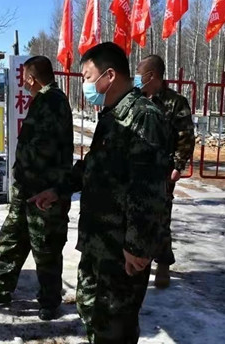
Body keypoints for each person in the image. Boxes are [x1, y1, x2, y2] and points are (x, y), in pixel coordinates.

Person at [30, 42, 168, 343]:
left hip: (122, 250)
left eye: (87, 77)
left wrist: (137, 246)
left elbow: (149, 188)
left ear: (109, 75)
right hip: (98, 242)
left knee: (115, 330)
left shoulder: (143, 117)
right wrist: (58, 190)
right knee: (92, 314)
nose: (85, 85)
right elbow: (94, 166)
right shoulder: (112, 115)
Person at [0, 55, 74, 321]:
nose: (24, 84)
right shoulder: (43, 100)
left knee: (46, 248)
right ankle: (0, 290)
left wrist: (32, 178)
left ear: (32, 78)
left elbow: (44, 149)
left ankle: (50, 301)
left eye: (25, 80)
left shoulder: (52, 101)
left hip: (44, 191)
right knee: (11, 240)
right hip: (27, 189)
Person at [135, 55, 195, 288]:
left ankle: (162, 262)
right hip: (138, 169)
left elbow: (185, 136)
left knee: (160, 217)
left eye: (140, 74)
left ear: (151, 76)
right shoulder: (136, 99)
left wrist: (178, 166)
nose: (137, 78)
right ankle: (139, 256)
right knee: (136, 215)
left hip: (162, 170)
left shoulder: (175, 102)